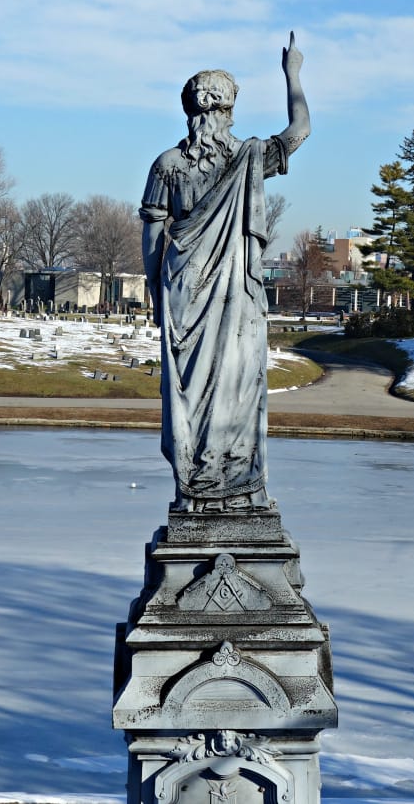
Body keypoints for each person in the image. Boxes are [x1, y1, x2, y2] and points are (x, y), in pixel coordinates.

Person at [140, 33, 309, 512]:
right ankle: (237, 485)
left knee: (191, 390)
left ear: (190, 112)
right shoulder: (247, 156)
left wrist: (156, 291)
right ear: (228, 111)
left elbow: (154, 234)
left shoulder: (168, 164)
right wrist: (292, 73)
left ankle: (199, 486)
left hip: (186, 291)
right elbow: (300, 130)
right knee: (237, 380)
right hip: (235, 290)